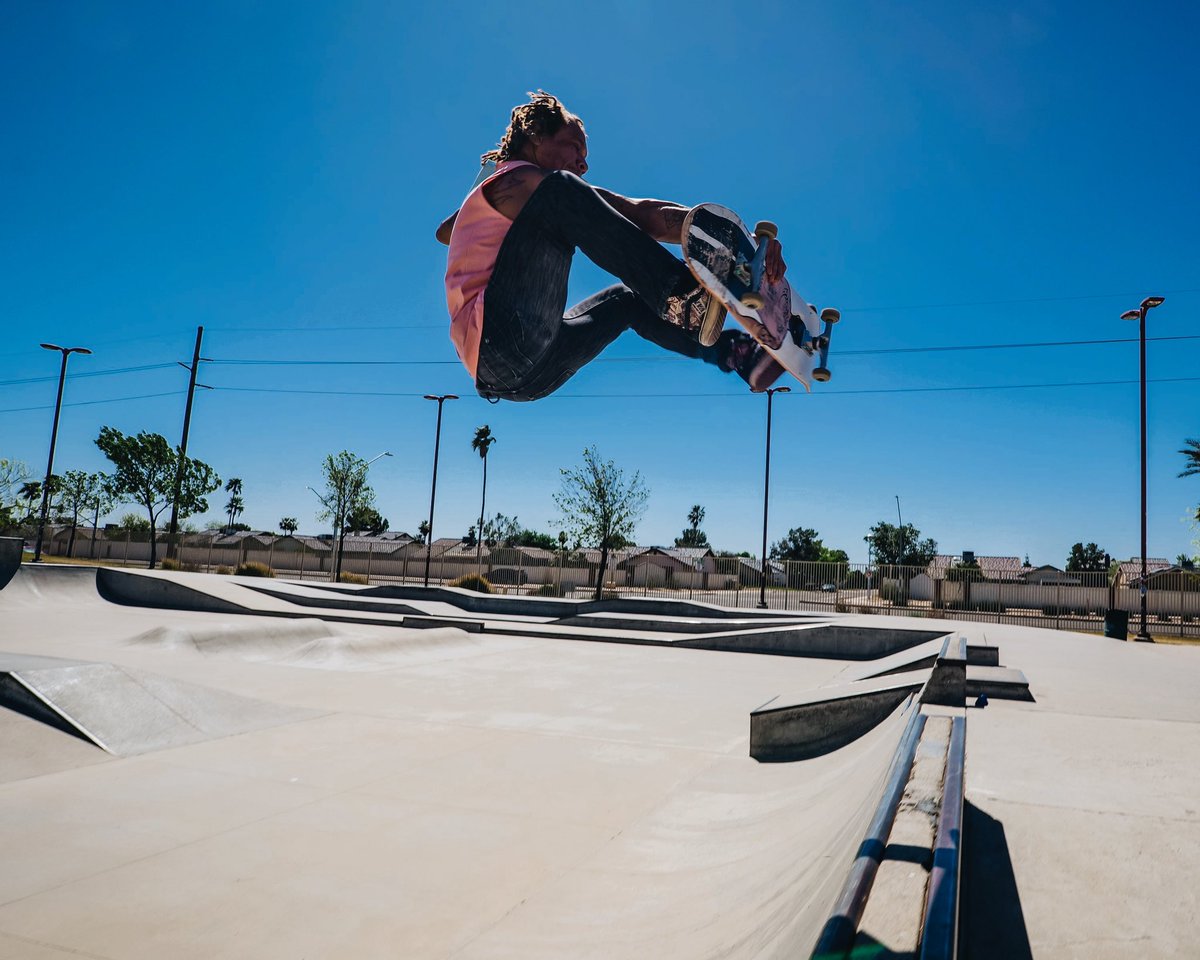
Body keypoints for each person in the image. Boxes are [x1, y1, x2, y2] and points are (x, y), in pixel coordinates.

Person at [436, 91, 787, 401]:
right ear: (536, 134)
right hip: (501, 342)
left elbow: (638, 214)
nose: (584, 163)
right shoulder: (520, 182)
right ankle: (684, 298)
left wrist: (730, 241)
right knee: (559, 190)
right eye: (574, 146)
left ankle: (738, 354)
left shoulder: (522, 192)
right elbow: (449, 229)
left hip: (527, 377)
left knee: (627, 301)